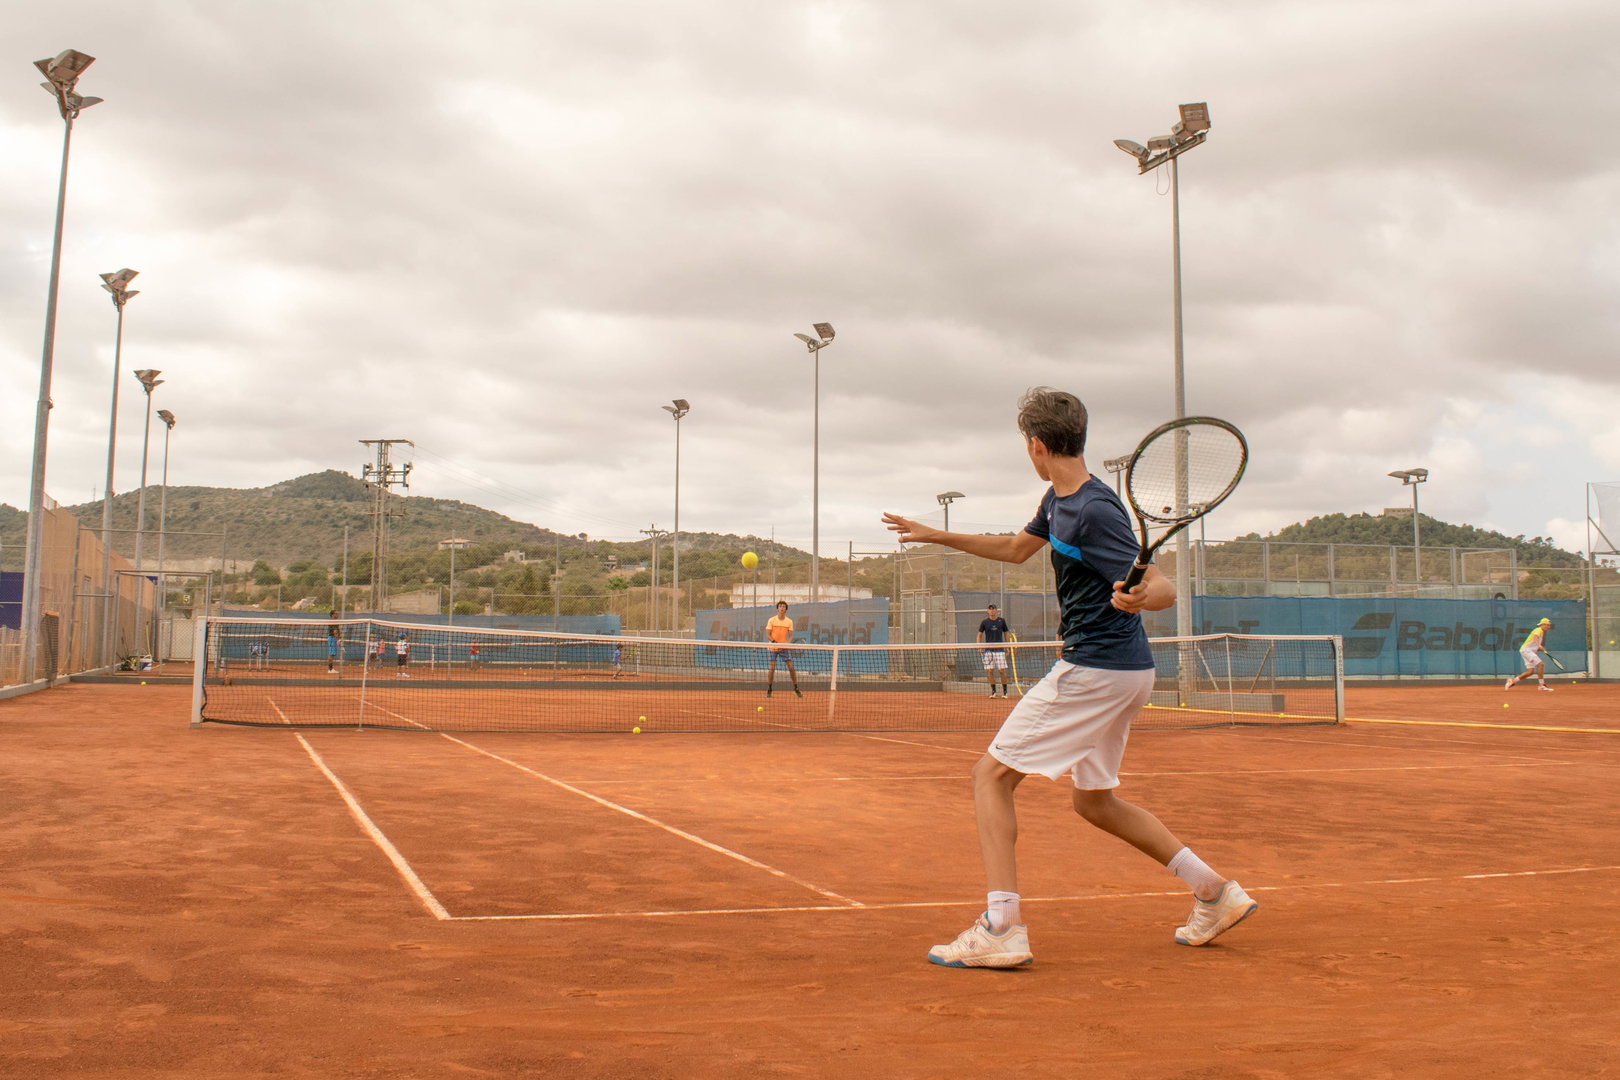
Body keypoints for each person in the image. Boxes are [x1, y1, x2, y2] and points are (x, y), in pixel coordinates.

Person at [882, 387, 1256, 969]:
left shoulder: (1094, 509)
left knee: (990, 778)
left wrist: (1143, 598)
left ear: (1036, 445)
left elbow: (1162, 586)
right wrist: (937, 534)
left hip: (1096, 668)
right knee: (1095, 803)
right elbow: (1016, 548)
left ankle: (1001, 926)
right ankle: (1213, 891)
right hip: (1124, 670)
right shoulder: (1058, 501)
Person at [764, 600, 803, 698]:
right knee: (772, 668)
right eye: (780, 606)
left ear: (786, 609)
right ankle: (769, 689)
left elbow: (790, 636)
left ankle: (796, 688)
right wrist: (774, 642)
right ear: (777, 608)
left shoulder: (789, 621)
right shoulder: (771, 620)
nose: (782, 608)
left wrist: (787, 644)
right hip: (772, 647)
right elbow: (768, 635)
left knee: (791, 667)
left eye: (784, 607)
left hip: (784, 648)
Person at [1505, 618, 1554, 692]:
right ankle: (1542, 685)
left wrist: (1540, 647)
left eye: (1549, 625)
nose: (1549, 627)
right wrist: (1539, 645)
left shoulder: (1541, 632)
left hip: (1527, 651)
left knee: (1530, 671)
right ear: (1542, 624)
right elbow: (1535, 637)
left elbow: (1534, 642)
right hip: (1527, 650)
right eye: (1547, 625)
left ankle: (1512, 681)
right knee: (1541, 664)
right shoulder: (1539, 630)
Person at [978, 604, 1013, 697]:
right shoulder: (984, 622)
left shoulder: (1002, 621)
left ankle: (1005, 692)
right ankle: (993, 692)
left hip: (1000, 650)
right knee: (990, 671)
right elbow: (979, 635)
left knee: (1001, 671)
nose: (992, 611)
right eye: (990, 609)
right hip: (988, 651)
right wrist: (979, 646)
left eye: (993, 609)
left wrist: (1007, 646)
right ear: (987, 611)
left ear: (996, 611)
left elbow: (1006, 633)